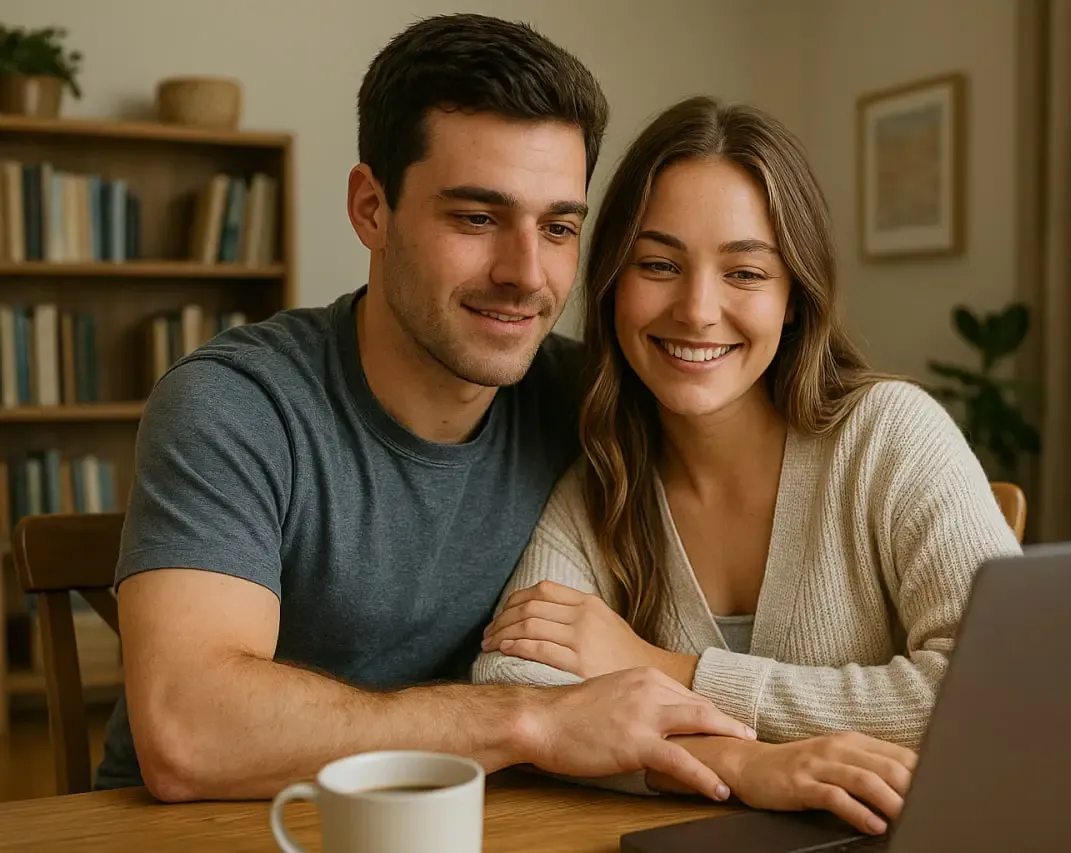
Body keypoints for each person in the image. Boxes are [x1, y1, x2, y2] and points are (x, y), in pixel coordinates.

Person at [94, 15, 757, 803]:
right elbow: (190, 732)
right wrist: (532, 721)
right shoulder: (237, 403)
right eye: (476, 218)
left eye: (557, 227)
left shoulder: (588, 402)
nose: (524, 272)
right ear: (372, 208)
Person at [471, 95, 1023, 834]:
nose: (698, 310)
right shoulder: (602, 478)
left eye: (746, 273)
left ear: (794, 296)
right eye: (660, 264)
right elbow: (515, 688)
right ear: (611, 286)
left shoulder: (890, 436)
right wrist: (745, 766)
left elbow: (1001, 694)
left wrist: (666, 669)